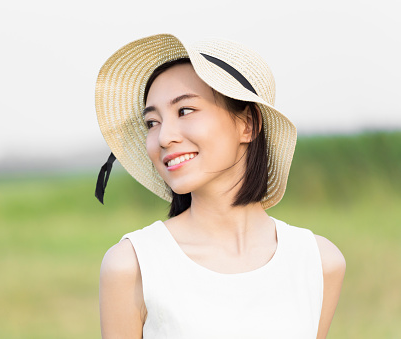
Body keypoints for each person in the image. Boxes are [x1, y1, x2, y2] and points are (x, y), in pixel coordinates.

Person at [94, 34, 346, 338]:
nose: (163, 138)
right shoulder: (132, 265)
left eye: (184, 111)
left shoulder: (319, 263)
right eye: (152, 122)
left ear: (248, 124)